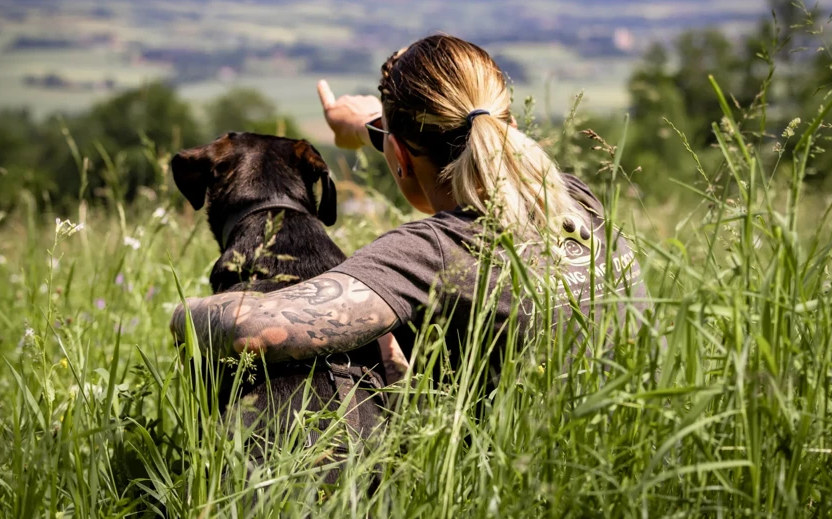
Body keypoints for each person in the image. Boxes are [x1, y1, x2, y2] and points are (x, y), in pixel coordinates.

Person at [171, 35, 646, 383]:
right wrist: (364, 126)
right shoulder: (576, 197)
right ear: (511, 127)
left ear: (398, 155)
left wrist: (181, 313)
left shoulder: (427, 254)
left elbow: (251, 330)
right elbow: (465, 121)